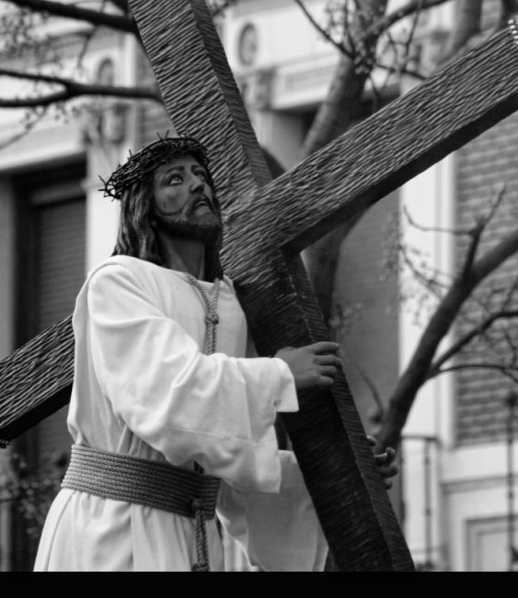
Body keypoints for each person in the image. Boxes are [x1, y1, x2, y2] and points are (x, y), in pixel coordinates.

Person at [33, 134, 397, 572]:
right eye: (175, 179)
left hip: (193, 537)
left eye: (201, 175)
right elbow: (170, 398)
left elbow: (225, 453)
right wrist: (280, 376)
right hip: (111, 530)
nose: (197, 185)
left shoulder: (231, 304)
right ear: (144, 207)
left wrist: (335, 475)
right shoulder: (120, 282)